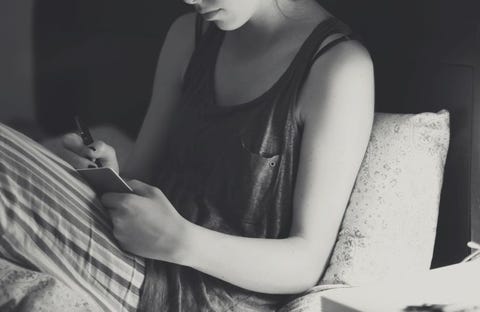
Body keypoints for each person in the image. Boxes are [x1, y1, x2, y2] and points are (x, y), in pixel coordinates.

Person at [0, 0, 374, 311]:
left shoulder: (338, 69)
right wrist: (110, 178)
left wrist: (182, 241)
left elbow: (306, 261)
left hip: (197, 296)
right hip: (135, 252)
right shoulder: (188, 35)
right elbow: (141, 177)